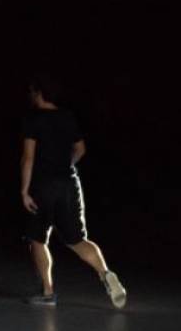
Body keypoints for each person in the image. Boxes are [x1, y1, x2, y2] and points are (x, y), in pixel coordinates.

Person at [21, 74, 126, 308]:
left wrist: (24, 190)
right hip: (69, 184)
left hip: (42, 186)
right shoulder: (67, 117)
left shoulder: (33, 119)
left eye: (32, 90)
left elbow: (28, 158)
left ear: (39, 92)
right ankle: (105, 273)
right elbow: (81, 149)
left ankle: (48, 293)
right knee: (78, 240)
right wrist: (66, 165)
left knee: (37, 239)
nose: (30, 94)